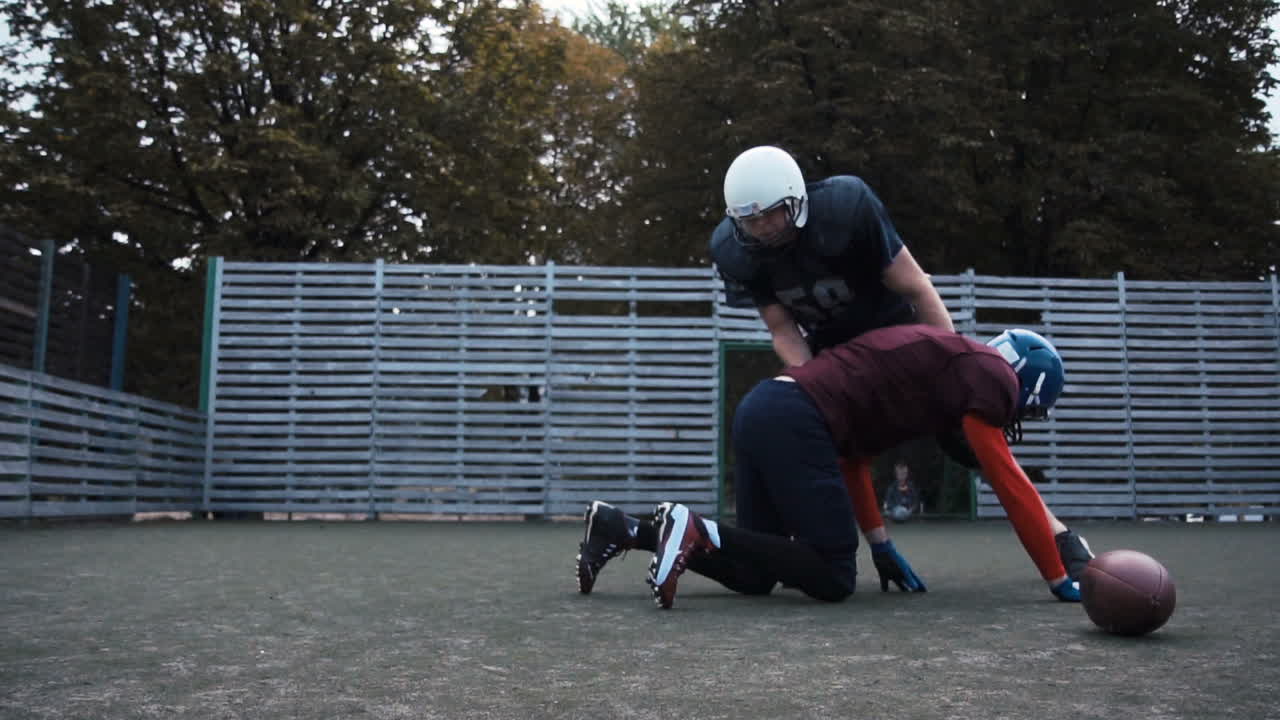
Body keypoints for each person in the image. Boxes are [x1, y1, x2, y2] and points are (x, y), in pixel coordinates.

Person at [576, 324, 1094, 609]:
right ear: (1024, 385)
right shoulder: (992, 375)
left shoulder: (941, 367)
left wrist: (882, 545)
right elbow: (1009, 483)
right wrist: (1057, 576)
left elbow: (854, 462)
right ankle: (691, 526)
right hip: (798, 418)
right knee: (833, 575)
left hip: (765, 408)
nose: (1011, 419)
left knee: (755, 574)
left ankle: (626, 527)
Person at [709, 145, 957, 555]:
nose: (764, 226)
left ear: (796, 197)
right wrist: (816, 384)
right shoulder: (734, 250)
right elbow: (783, 328)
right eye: (750, 220)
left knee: (965, 432)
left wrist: (950, 366)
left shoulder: (845, 206)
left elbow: (916, 286)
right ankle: (863, 540)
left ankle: (1055, 539)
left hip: (896, 332)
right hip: (832, 346)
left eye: (772, 212)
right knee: (825, 431)